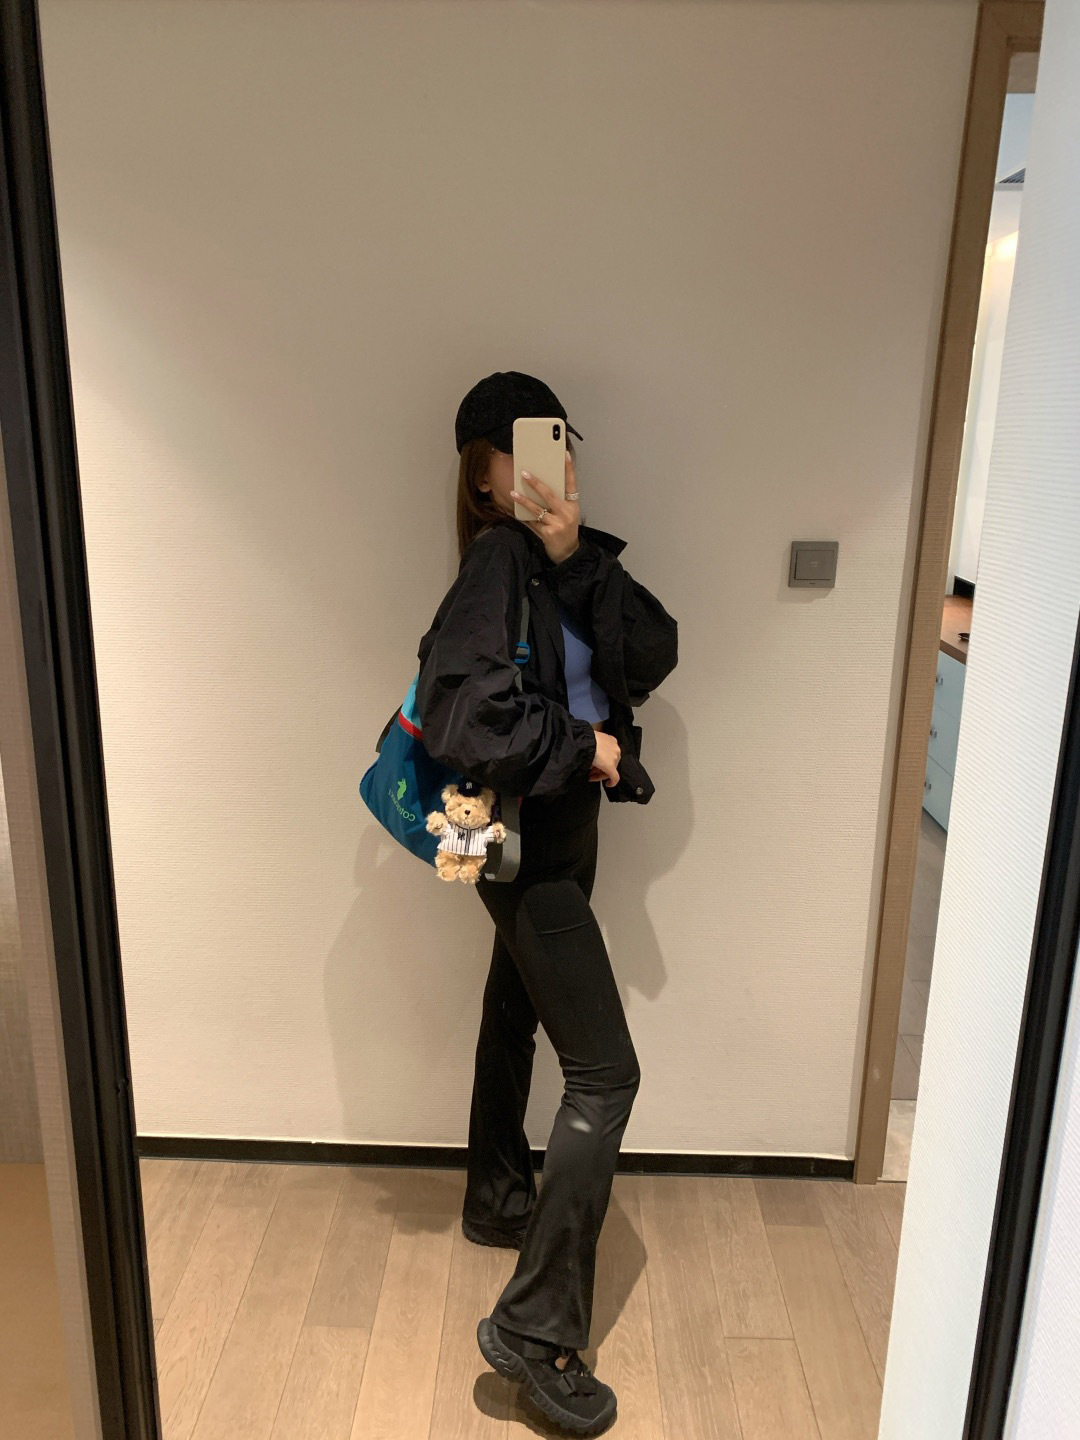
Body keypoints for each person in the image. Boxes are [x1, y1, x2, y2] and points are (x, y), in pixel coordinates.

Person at [415, 371, 678, 1436]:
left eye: (560, 439)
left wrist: (575, 557)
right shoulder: (493, 562)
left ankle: (495, 1196)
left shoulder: (563, 561)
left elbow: (653, 654)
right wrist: (591, 747)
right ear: (483, 476)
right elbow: (465, 721)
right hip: (521, 840)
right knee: (606, 1074)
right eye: (525, 443)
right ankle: (531, 1331)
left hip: (549, 833)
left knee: (513, 1006)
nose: (550, 459)